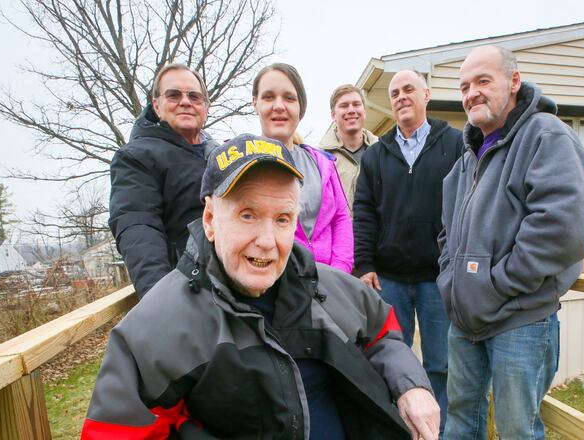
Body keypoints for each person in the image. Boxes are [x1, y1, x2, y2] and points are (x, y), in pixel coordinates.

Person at [82, 133, 440, 440]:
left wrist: (412, 386)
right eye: (247, 215)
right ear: (210, 220)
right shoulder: (157, 328)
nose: (267, 241)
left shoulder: (328, 286)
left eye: (282, 219)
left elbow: (384, 332)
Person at [438, 45, 584, 439]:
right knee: (458, 423)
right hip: (465, 323)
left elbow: (562, 230)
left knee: (516, 431)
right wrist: (450, 277)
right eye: (465, 86)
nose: (472, 92)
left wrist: (495, 284)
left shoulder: (546, 135)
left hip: (519, 320)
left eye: (483, 81)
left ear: (514, 81)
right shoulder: (467, 157)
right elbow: (445, 232)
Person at [353, 70, 463, 434]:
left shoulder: (455, 145)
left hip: (437, 279)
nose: (401, 97)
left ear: (426, 95)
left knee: (440, 364)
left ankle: (438, 431)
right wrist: (365, 263)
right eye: (395, 92)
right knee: (391, 362)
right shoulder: (375, 156)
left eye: (408, 89)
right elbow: (364, 213)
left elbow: (467, 206)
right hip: (390, 280)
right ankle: (401, 431)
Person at [108, 64, 217, 298]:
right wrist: (161, 301)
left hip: (233, 288)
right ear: (156, 105)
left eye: (194, 96)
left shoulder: (219, 154)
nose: (185, 101)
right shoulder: (136, 157)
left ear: (205, 108)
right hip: (190, 290)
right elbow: (139, 228)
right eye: (174, 94)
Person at [252, 63, 353, 273]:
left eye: (289, 98)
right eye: (269, 97)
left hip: (326, 283)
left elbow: (341, 217)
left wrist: (338, 273)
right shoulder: (241, 161)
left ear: (301, 108)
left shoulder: (322, 162)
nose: (279, 106)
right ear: (255, 104)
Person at [318, 84, 378, 211]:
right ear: (333, 115)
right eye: (344, 106)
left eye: (356, 104)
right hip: (337, 230)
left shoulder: (383, 152)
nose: (351, 110)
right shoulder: (319, 158)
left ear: (364, 112)